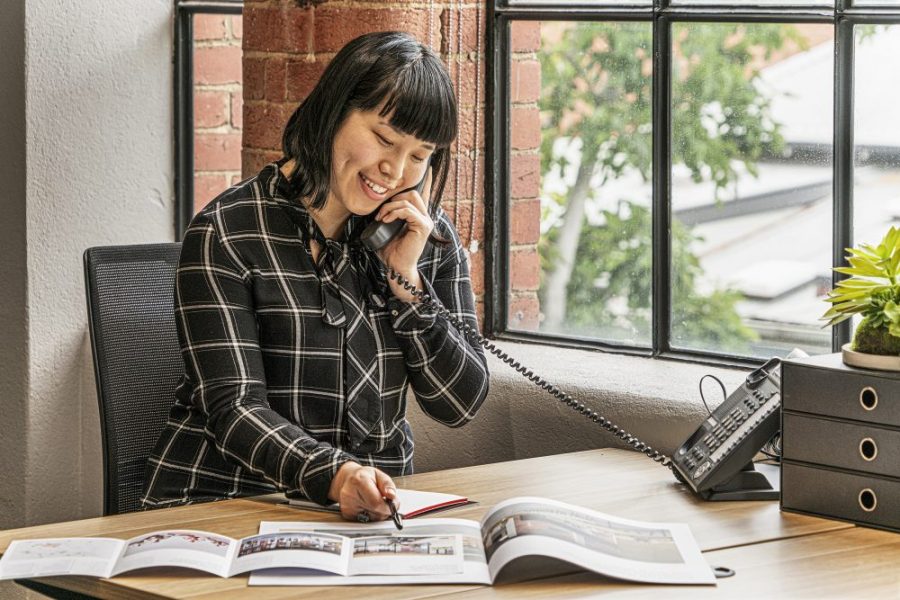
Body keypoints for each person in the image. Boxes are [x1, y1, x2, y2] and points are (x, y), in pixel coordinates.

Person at [141, 31, 490, 523]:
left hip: (362, 518)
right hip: (222, 504)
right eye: (384, 139)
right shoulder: (228, 230)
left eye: (419, 155)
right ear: (332, 112)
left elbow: (460, 403)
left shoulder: (420, 237)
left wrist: (405, 282)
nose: (394, 170)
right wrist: (336, 475)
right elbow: (234, 409)